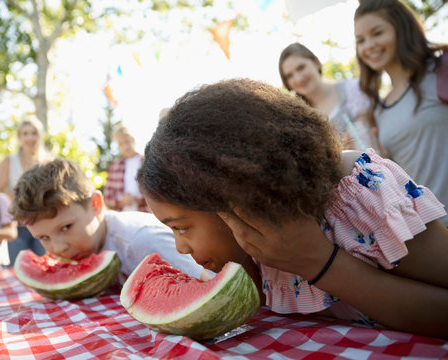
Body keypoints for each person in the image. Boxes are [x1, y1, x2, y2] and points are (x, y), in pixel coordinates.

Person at [136, 78, 448, 339]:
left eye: (181, 227)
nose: (180, 247)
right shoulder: (255, 251)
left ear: (230, 195)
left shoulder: (358, 191)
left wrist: (318, 263)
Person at [9, 157, 209, 280]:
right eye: (44, 238)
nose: (59, 248)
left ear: (96, 204)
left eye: (66, 227)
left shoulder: (143, 241)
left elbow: (209, 289)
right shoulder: (84, 249)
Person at [354, 0, 448, 227]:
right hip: (434, 232)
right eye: (360, 40)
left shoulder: (441, 68)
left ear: (401, 28)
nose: (368, 45)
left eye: (377, 33)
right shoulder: (378, 110)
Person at [278, 43, 375, 151]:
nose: (298, 78)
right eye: (289, 75)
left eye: (301, 67)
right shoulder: (299, 120)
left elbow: (374, 136)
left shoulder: (353, 90)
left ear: (316, 62)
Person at [0, 116, 50, 262]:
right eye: (25, 134)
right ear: (20, 137)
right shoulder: (9, 161)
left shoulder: (48, 162)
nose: (30, 137)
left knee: (45, 267)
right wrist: (16, 200)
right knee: (18, 269)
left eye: (34, 133)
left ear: (40, 136)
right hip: (17, 226)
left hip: (44, 226)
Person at [104, 124, 149, 212]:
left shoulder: (147, 162)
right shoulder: (115, 166)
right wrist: (122, 200)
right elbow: (108, 197)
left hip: (145, 214)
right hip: (122, 218)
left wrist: (137, 198)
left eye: (127, 141)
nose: (125, 146)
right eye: (121, 144)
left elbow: (157, 193)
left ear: (133, 140)